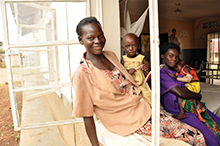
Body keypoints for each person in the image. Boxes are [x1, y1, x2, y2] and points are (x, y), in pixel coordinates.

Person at [72, 16, 206, 146]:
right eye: (91, 38)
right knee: (192, 137)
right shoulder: (83, 74)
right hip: (129, 121)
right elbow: (86, 115)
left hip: (144, 108)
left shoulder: (110, 55)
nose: (97, 41)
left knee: (197, 135)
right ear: (80, 39)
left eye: (100, 36)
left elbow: (126, 83)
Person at [160, 42, 220, 146]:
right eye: (171, 56)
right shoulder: (162, 73)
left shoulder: (178, 71)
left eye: (176, 57)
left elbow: (192, 85)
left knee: (217, 122)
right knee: (211, 140)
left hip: (192, 105)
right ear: (162, 56)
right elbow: (181, 93)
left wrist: (197, 98)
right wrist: (198, 96)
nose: (174, 59)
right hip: (181, 111)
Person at [121, 33, 152, 106]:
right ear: (123, 48)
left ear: (138, 46)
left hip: (141, 84)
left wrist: (146, 67)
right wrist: (127, 72)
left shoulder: (141, 57)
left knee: (147, 95)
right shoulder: (124, 59)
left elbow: (149, 65)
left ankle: (149, 110)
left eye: (134, 45)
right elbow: (120, 71)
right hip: (130, 85)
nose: (131, 48)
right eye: (127, 46)